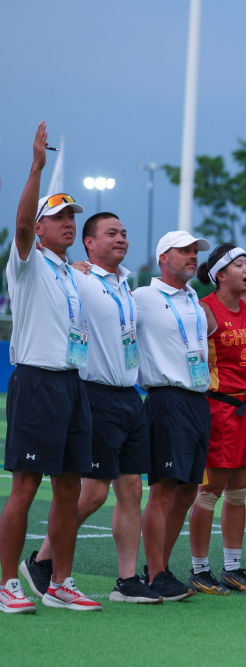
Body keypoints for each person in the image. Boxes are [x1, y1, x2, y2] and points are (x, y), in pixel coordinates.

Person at [24, 212, 160, 605]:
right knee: (94, 493)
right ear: (89, 242)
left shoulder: (125, 284)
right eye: (111, 233)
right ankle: (42, 559)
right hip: (94, 393)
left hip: (129, 395)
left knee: (131, 488)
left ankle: (127, 580)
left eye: (124, 233)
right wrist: (71, 266)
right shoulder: (77, 278)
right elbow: (44, 269)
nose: (121, 239)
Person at [0, 122, 100, 613]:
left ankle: (60, 581)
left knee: (69, 488)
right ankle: (5, 583)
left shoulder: (69, 272)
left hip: (71, 384)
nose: (68, 223)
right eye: (58, 217)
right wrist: (36, 167)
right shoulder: (27, 262)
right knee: (25, 487)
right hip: (37, 381)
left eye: (71, 217)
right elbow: (20, 226)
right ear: (38, 228)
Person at [134, 230, 211, 601]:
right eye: (184, 251)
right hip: (165, 399)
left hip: (197, 400)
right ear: (163, 257)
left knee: (188, 490)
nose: (193, 256)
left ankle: (160, 567)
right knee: (164, 490)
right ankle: (155, 573)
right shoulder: (142, 298)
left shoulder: (193, 297)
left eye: (195, 251)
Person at [187, 244, 246, 594]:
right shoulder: (205, 310)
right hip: (220, 410)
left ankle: (232, 567)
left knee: (238, 492)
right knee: (209, 492)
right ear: (220, 275)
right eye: (239, 264)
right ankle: (200, 569)